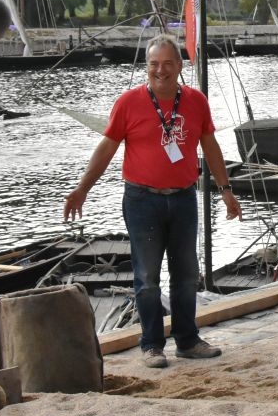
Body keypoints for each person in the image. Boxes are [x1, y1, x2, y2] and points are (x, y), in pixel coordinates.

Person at [64, 33, 243, 368]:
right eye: (154, 64)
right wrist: (82, 188)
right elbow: (107, 148)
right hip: (142, 200)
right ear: (147, 67)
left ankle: (187, 341)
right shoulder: (128, 102)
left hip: (184, 198)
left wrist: (225, 189)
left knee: (186, 274)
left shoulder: (196, 101)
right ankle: (151, 345)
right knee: (147, 277)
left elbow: (210, 145)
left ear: (180, 66)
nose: (161, 70)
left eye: (168, 63)